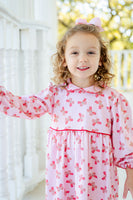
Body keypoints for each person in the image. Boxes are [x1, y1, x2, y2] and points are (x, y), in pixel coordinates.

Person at [0, 17, 133, 200]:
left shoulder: (113, 99)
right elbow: (25, 106)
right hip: (63, 176)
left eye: (91, 52)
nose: (83, 58)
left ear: (101, 58)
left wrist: (130, 174)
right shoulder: (55, 94)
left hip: (98, 178)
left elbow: (125, 141)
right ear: (64, 59)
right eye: (75, 53)